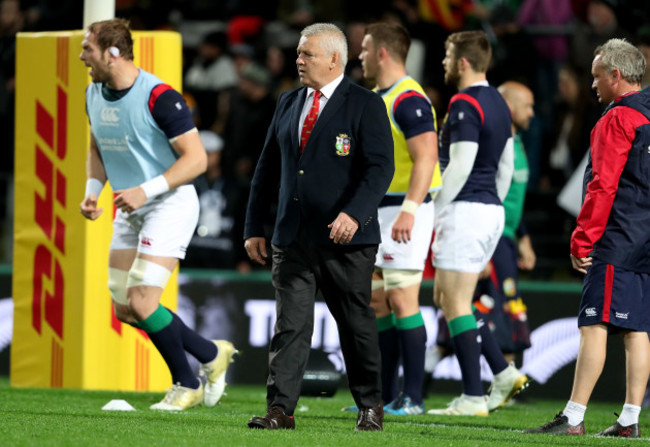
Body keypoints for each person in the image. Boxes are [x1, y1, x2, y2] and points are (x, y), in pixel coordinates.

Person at [78, 18, 237, 411]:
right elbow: (98, 148)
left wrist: (144, 191)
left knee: (144, 300)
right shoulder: (91, 94)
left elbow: (197, 159)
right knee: (125, 306)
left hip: (169, 203)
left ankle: (186, 383)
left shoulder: (160, 97)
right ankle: (211, 354)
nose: (82, 56)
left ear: (113, 54)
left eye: (88, 49)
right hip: (130, 207)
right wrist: (92, 193)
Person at [244, 23, 394, 431]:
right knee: (289, 326)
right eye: (298, 53)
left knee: (354, 323)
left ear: (334, 59)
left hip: (346, 238)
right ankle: (280, 410)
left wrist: (354, 213)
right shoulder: (289, 102)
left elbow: (380, 168)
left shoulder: (365, 104)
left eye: (306, 54)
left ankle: (369, 405)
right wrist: (254, 226)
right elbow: (266, 169)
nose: (298, 60)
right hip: (292, 236)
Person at [524, 38, 650, 438]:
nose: (592, 84)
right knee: (637, 330)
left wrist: (583, 238)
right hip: (645, 239)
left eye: (597, 76)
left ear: (616, 76)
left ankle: (574, 416)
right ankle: (630, 420)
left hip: (617, 236)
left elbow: (602, 185)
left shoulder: (618, 118)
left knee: (593, 325)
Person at [426, 30, 528, 417]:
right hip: (487, 211)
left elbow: (461, 164)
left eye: (448, 56)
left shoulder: (465, 102)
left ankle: (472, 397)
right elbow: (505, 166)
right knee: (450, 301)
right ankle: (501, 373)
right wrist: (492, 206)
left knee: (453, 301)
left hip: (466, 208)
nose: (444, 63)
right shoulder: (500, 104)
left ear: (463, 62)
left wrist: (434, 210)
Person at [356, 21, 441, 415]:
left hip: (406, 209)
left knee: (403, 299)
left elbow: (427, 156)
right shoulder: (379, 96)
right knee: (379, 302)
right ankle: (384, 396)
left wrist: (409, 208)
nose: (360, 55)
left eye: (365, 48)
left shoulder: (409, 99)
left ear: (383, 53)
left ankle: (414, 398)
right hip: (379, 209)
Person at [182, 130, 251, 272]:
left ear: (219, 154)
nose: (205, 157)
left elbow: (241, 223)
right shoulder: (187, 183)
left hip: (224, 255)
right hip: (192, 256)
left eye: (209, 153)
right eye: (201, 152)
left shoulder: (234, 186)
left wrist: (242, 259)